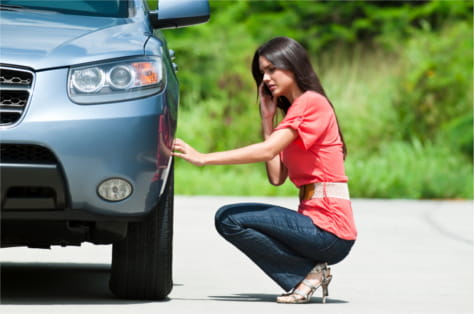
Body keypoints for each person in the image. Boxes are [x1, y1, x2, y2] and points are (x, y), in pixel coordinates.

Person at [172, 36, 357, 304]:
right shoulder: (296, 110)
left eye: (272, 69)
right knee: (228, 218)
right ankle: (306, 274)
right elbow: (276, 176)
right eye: (262, 73)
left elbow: (268, 151)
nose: (266, 78)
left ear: (293, 65)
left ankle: (306, 274)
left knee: (230, 219)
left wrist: (204, 158)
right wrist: (267, 119)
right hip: (316, 228)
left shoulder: (311, 103)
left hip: (329, 230)